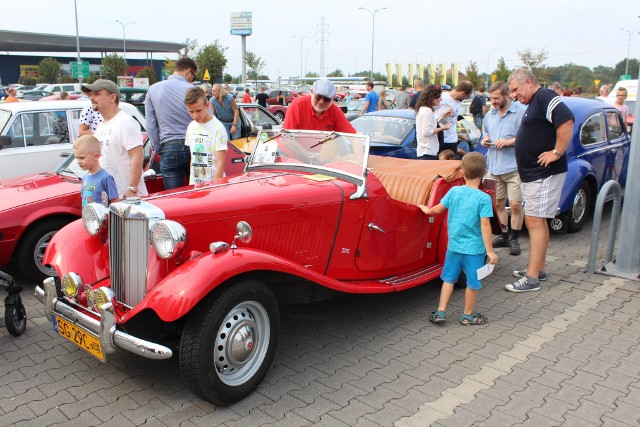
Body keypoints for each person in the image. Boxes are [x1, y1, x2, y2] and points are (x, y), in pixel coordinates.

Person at [506, 68, 574, 293]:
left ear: (528, 82)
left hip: (543, 174)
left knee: (534, 221)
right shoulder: (534, 103)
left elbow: (566, 120)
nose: (514, 95)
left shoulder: (544, 96)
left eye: (515, 90)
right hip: (534, 175)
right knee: (538, 221)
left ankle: (532, 277)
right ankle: (539, 269)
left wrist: (557, 151)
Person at [418, 152, 498, 325]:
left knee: (448, 279)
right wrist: (490, 251)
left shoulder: (454, 191)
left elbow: (437, 210)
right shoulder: (484, 198)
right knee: (473, 283)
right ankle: (468, 315)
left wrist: (426, 209)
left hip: (453, 246)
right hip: (474, 250)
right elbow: (485, 226)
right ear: (484, 172)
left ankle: (440, 312)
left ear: (462, 172)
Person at [480, 81, 526, 256]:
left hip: (514, 167)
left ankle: (514, 239)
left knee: (515, 205)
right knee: (498, 203)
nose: (493, 101)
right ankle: (504, 235)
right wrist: (486, 138)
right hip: (494, 166)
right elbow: (486, 132)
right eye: (491, 98)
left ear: (507, 95)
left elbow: (527, 137)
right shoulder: (489, 115)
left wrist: (509, 142)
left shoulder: (520, 112)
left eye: (497, 98)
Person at [82, 79, 147, 199]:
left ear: (112, 98)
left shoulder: (126, 122)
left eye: (97, 94)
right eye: (90, 94)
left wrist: (132, 188)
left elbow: (137, 156)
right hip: (109, 196)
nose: (91, 97)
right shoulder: (101, 126)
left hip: (127, 198)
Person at [145, 57, 198, 190]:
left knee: (173, 198)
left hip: (169, 147)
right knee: (199, 194)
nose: (193, 79)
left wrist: (160, 149)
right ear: (188, 71)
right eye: (193, 76)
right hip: (196, 146)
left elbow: (151, 125)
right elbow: (208, 118)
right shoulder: (194, 90)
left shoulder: (153, 89)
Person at [183, 87, 228, 184]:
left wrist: (214, 187)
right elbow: (193, 157)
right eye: (191, 112)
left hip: (213, 184)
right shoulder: (191, 127)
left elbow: (221, 162)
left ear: (207, 105)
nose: (195, 115)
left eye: (198, 110)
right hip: (195, 184)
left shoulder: (218, 128)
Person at [283, 79, 356, 133]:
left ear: (332, 100)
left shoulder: (335, 111)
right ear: (311, 93)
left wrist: (360, 153)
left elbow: (353, 136)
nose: (321, 101)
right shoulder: (297, 105)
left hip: (321, 152)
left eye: (326, 99)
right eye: (318, 97)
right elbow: (287, 137)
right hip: (296, 151)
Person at [73, 135, 119, 206]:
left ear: (96, 156)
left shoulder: (106, 178)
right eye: (76, 158)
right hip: (88, 215)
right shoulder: (84, 177)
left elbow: (115, 202)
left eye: (82, 158)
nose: (78, 161)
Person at [435, 80, 474, 154]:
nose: (466, 99)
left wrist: (458, 135)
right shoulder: (442, 98)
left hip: (452, 140)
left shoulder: (459, 101)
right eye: (467, 96)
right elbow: (434, 117)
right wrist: (445, 124)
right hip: (440, 139)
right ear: (463, 93)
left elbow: (454, 120)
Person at [415, 84, 451, 160]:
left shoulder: (424, 109)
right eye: (439, 97)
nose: (441, 99)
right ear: (432, 97)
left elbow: (435, 121)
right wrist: (442, 128)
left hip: (427, 151)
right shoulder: (427, 111)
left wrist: (444, 117)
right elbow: (426, 132)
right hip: (427, 151)